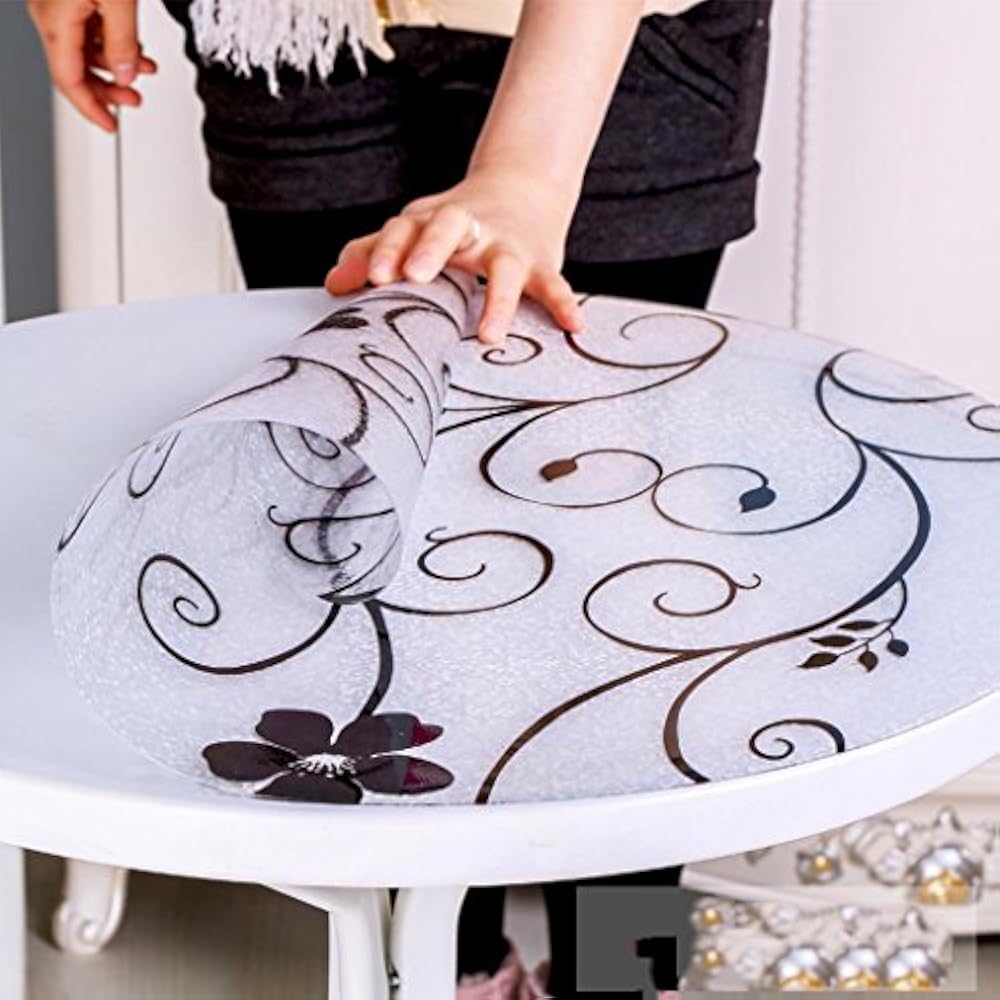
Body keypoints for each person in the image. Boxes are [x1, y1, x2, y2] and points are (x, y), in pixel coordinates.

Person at [29, 0, 772, 994]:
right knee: (354, 554)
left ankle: (628, 977)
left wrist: (527, 173)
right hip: (294, 28)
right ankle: (443, 969)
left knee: (629, 592)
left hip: (626, 34)